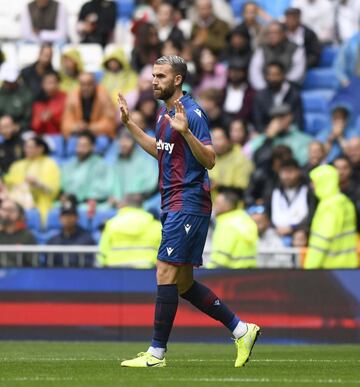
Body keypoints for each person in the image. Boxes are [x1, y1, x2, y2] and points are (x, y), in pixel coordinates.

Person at [118, 55, 260, 368]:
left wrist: (185, 132)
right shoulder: (163, 112)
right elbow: (159, 151)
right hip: (172, 202)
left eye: (161, 76)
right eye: (153, 75)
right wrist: (129, 125)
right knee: (182, 284)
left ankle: (156, 353)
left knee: (164, 270)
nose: (154, 81)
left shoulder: (191, 114)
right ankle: (241, 329)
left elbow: (209, 159)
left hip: (188, 202)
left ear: (178, 80)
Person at [304, 165, 358, 269]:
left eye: (314, 182)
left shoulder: (329, 206)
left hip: (329, 267)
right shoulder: (345, 202)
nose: (312, 185)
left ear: (323, 182)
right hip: (349, 265)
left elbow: (322, 239)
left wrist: (309, 267)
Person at [2, 136, 60, 224]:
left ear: (40, 148)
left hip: (38, 203)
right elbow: (7, 183)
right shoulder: (17, 165)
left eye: (30, 147)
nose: (27, 149)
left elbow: (52, 191)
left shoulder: (50, 164)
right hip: (15, 203)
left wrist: (37, 183)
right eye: (26, 147)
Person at [98, 194, 161, 268]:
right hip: (146, 271)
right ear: (141, 205)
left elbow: (102, 253)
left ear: (125, 204)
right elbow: (164, 253)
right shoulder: (156, 225)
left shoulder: (110, 224)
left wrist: (104, 265)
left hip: (115, 271)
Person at [106, 130, 158, 208]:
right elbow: (111, 186)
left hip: (142, 202)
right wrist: (116, 200)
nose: (124, 144)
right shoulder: (115, 162)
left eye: (127, 140)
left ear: (134, 143)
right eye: (121, 140)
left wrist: (131, 199)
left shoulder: (144, 160)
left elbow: (150, 187)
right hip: (118, 204)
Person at [207, 189, 258, 268]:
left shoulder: (226, 223)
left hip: (230, 273)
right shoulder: (246, 219)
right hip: (249, 272)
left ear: (226, 206)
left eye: (217, 203)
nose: (214, 206)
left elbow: (221, 255)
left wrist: (209, 270)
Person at [249, 21, 306, 90]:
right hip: (265, 88)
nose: (272, 36)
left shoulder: (296, 48)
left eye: (275, 33)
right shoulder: (262, 49)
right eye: (269, 33)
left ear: (284, 33)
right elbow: (255, 71)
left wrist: (283, 85)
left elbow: (298, 72)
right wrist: (263, 87)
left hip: (290, 88)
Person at [253, 61, 303, 133]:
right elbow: (258, 123)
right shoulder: (260, 96)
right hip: (267, 134)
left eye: (276, 75)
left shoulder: (294, 95)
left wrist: (284, 127)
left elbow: (299, 122)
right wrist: (269, 130)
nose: (273, 79)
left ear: (283, 75)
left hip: (290, 134)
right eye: (270, 75)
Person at [62, 72, 116, 138]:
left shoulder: (103, 96)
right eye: (83, 84)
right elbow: (66, 123)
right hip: (79, 133)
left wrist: (89, 127)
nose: (86, 88)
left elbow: (110, 123)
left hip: (98, 133)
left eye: (89, 84)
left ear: (95, 84)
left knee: (102, 142)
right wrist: (76, 127)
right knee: (72, 142)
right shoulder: (72, 98)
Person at [61, 130, 109, 204]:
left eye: (84, 146)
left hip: (90, 203)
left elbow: (100, 190)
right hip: (70, 202)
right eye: (78, 145)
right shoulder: (69, 165)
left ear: (92, 147)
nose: (80, 149)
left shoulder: (100, 165)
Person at [47, 196, 95, 267]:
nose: (68, 218)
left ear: (77, 217)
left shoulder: (86, 240)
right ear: (60, 218)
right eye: (65, 215)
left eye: (71, 215)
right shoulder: (53, 241)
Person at [209, 126, 254, 191]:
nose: (215, 143)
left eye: (219, 139)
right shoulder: (209, 157)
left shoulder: (241, 158)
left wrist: (219, 186)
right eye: (213, 139)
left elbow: (242, 188)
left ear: (229, 140)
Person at [0, 199, 37, 267]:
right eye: (3, 209)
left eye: (11, 210)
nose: (7, 213)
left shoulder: (27, 236)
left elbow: (33, 264)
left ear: (19, 214)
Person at [31, 71, 67, 135]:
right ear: (42, 84)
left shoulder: (65, 98)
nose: (49, 86)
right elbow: (35, 126)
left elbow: (67, 122)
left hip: (60, 136)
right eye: (46, 83)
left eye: (52, 82)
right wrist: (42, 120)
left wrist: (52, 118)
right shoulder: (38, 101)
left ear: (58, 83)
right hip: (42, 136)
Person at [0, 63, 33, 132]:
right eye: (6, 80)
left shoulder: (26, 94)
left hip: (21, 131)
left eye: (10, 81)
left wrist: (18, 126)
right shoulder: (1, 92)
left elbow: (28, 118)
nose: (8, 83)